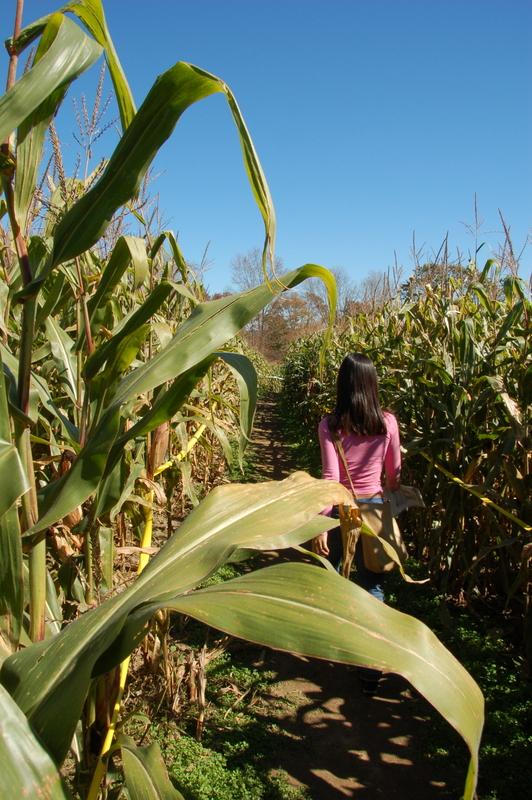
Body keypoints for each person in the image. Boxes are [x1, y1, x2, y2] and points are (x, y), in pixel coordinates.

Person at [312, 352, 401, 695]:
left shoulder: (331, 425)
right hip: (375, 509)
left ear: (343, 385)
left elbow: (331, 477)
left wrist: (320, 526)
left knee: (334, 579)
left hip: (341, 512)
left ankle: (337, 640)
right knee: (373, 585)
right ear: (372, 384)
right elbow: (393, 477)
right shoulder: (388, 423)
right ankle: (370, 669)